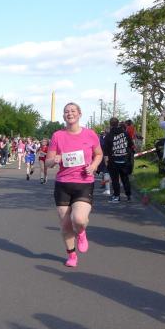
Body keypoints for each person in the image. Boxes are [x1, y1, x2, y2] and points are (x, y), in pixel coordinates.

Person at [45, 102, 103, 268]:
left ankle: (82, 232)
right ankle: (71, 255)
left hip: (84, 183)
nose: (69, 113)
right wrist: (54, 160)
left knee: (79, 219)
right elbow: (48, 162)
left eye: (72, 111)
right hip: (63, 184)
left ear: (79, 114)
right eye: (66, 111)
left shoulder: (90, 134)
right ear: (63, 116)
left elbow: (99, 154)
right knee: (65, 225)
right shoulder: (57, 136)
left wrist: (93, 166)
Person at [103, 117, 135, 202]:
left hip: (113, 161)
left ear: (110, 124)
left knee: (115, 180)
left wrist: (106, 162)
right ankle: (129, 196)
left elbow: (105, 151)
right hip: (125, 160)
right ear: (118, 124)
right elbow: (131, 145)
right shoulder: (125, 134)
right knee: (125, 178)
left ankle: (117, 196)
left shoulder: (108, 136)